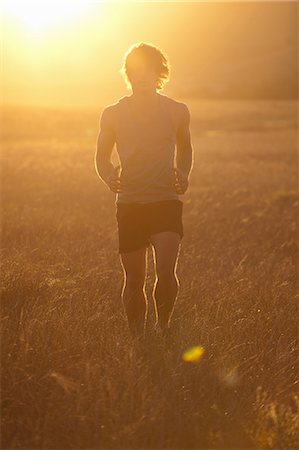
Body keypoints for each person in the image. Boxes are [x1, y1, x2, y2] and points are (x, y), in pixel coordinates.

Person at [95, 42, 193, 341]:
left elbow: (185, 149)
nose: (141, 77)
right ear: (128, 74)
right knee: (135, 279)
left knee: (165, 273)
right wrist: (109, 176)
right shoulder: (112, 113)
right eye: (135, 71)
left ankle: (163, 328)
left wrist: (184, 173)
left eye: (148, 71)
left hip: (165, 200)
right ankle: (138, 337)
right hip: (130, 204)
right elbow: (101, 157)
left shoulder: (177, 111)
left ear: (159, 73)